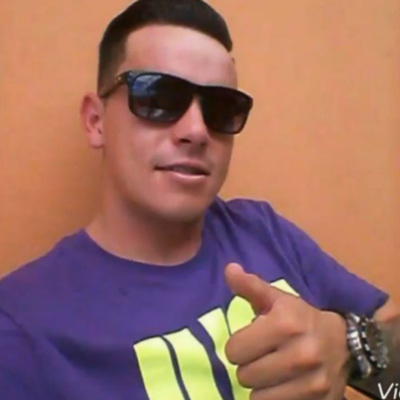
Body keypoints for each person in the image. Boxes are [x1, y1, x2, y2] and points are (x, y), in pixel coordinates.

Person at [0, 0, 398, 399]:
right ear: (95, 121)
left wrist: (351, 347)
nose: (196, 131)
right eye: (158, 96)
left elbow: (392, 368)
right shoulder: (20, 326)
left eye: (221, 107)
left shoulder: (264, 230)